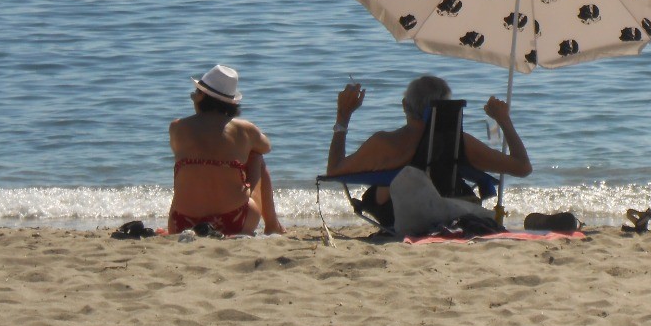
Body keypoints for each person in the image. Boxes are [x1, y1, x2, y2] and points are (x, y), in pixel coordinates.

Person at [326, 75, 531, 235]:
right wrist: (503, 120)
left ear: (405, 105)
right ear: (444, 110)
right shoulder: (461, 142)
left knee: (382, 187)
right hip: (452, 206)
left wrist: (343, 116)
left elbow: (334, 171)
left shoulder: (385, 143)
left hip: (397, 216)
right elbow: (522, 167)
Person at [168, 64, 285, 236]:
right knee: (256, 156)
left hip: (182, 223)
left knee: (188, 164)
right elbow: (266, 146)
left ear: (202, 97)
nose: (193, 97)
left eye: (195, 93)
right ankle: (272, 224)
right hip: (235, 219)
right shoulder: (244, 129)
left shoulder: (177, 127)